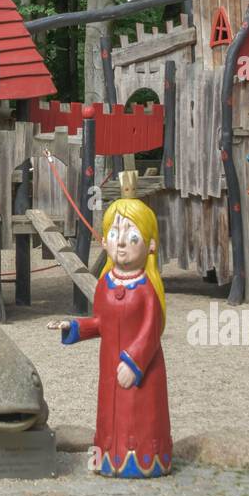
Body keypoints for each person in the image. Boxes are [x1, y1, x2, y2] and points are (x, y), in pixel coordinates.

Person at [48, 179, 172, 477]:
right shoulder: (105, 284)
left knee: (137, 415)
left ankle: (145, 460)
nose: (120, 243)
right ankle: (108, 458)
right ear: (104, 241)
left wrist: (134, 363)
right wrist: (73, 326)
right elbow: (100, 322)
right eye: (114, 234)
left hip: (139, 373)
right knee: (111, 413)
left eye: (131, 237)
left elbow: (151, 331)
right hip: (109, 367)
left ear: (151, 244)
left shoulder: (146, 289)